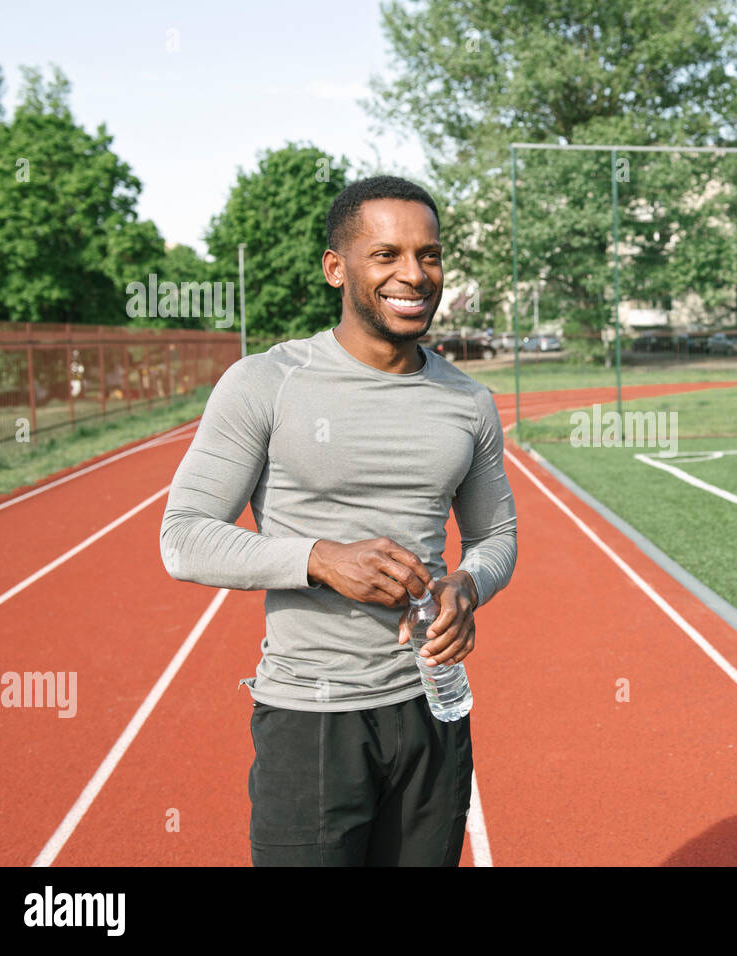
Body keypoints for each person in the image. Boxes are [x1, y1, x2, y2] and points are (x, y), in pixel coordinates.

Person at [159, 176, 517, 866]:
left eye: (429, 254)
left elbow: (495, 538)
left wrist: (469, 586)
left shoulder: (468, 401)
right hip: (311, 721)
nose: (413, 274)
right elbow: (183, 536)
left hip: (433, 711)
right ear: (337, 268)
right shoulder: (267, 382)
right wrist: (318, 558)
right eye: (385, 255)